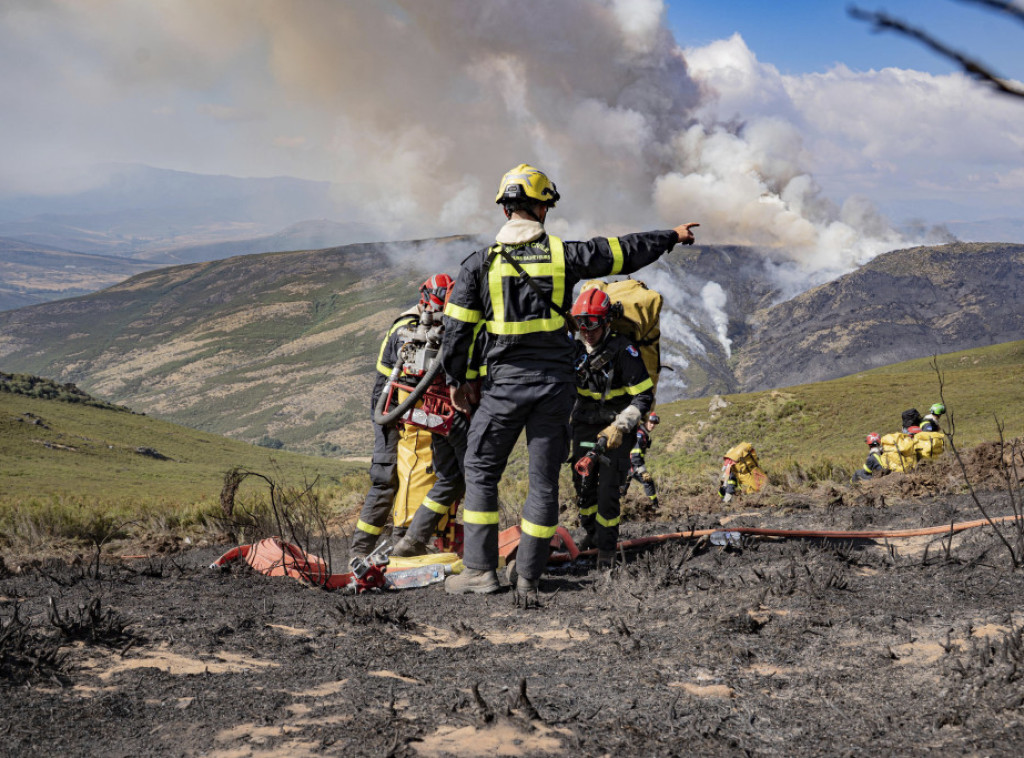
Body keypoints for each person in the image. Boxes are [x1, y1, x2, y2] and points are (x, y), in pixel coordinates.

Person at [441, 163, 698, 597]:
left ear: (506, 210)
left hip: (504, 388)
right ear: (543, 209)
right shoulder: (565, 255)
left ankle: (480, 572)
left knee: (482, 469)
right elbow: (622, 251)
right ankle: (529, 577)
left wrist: (459, 380)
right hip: (556, 390)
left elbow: (457, 332)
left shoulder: (479, 265)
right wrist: (671, 236)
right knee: (543, 483)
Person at [349, 274, 453, 563]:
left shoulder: (434, 323)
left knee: (417, 469)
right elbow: (419, 366)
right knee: (386, 475)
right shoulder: (406, 328)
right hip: (390, 403)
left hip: (412, 402)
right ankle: (360, 549)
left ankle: (402, 542)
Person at [570, 288, 654, 566]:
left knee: (607, 490)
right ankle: (592, 533)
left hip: (616, 429)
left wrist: (622, 425)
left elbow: (643, 395)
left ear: (606, 322)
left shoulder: (623, 350)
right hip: (583, 424)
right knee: (583, 486)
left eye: (592, 323)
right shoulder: (573, 348)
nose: (586, 330)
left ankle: (606, 550)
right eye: (581, 323)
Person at [621, 412, 660, 510]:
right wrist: (642, 470)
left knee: (622, 489)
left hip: (626, 465)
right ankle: (654, 506)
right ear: (645, 421)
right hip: (632, 465)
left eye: (655, 423)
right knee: (648, 482)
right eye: (651, 422)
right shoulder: (640, 434)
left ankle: (619, 507)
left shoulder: (641, 433)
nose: (653, 425)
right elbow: (635, 455)